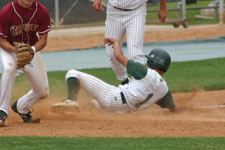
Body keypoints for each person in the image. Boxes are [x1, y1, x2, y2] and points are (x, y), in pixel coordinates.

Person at [53, 38, 178, 114]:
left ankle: (71, 101)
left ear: (151, 62)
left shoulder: (145, 72)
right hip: (121, 114)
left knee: (72, 73)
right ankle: (75, 113)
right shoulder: (164, 89)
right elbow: (173, 109)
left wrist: (117, 42)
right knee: (92, 105)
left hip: (112, 98)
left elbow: (119, 57)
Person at [0, 0, 51, 127]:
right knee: (9, 69)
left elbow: (43, 40)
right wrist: (15, 50)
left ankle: (21, 107)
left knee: (43, 92)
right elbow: (1, 40)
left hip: (31, 50)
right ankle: (2, 111)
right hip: (10, 49)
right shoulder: (7, 11)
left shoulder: (41, 11)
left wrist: (32, 50)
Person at [92, 0, 167, 85]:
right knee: (112, 54)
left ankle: (141, 85)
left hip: (137, 11)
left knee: (135, 53)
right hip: (114, 12)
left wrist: (163, 7)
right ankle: (125, 82)